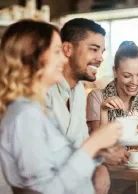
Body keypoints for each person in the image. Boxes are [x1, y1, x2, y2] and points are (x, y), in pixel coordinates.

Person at [0, 20, 122, 194]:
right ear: (35, 57)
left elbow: (61, 163)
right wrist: (93, 145)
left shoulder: (37, 110)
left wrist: (98, 153)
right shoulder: (25, 115)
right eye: (57, 51)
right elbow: (46, 190)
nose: (64, 58)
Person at [87, 41, 138, 194]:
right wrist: (104, 110)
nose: (134, 82)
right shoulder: (97, 97)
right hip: (110, 180)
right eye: (127, 75)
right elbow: (98, 147)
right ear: (115, 72)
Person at [45, 18, 111, 194]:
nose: (100, 58)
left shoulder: (80, 91)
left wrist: (101, 166)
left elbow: (81, 144)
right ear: (67, 49)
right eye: (93, 49)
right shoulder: (42, 90)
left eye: (102, 51)